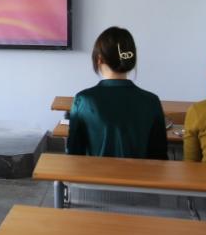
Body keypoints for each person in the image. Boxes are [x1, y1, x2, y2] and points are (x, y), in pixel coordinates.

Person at [67, 27, 167, 159]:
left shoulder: (83, 100)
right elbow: (160, 156)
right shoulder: (151, 101)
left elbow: (73, 154)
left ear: (99, 58)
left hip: (96, 172)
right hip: (140, 173)